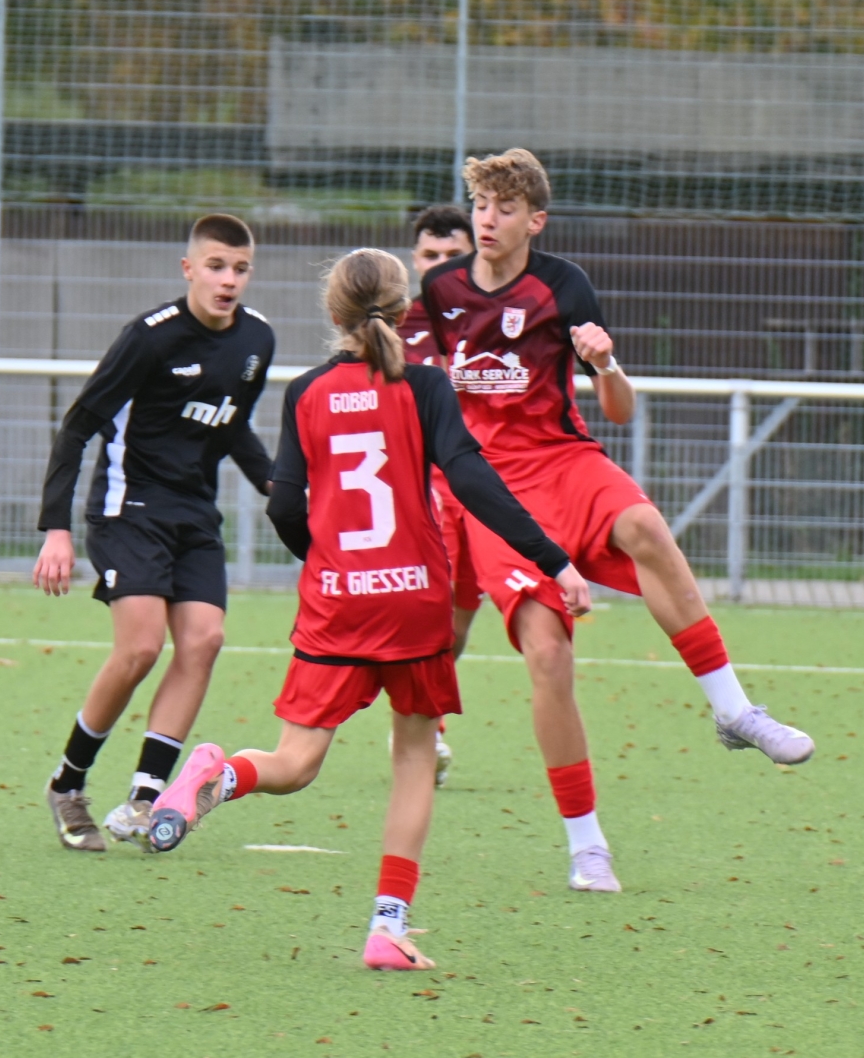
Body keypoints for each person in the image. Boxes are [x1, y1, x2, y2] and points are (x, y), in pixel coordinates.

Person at [143, 248, 590, 972]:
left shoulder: (308, 392)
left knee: (294, 762)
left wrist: (325, 562)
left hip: (338, 602)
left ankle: (220, 776)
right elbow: (473, 481)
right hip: (415, 602)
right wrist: (552, 558)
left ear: (333, 312)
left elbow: (284, 505)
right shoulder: (426, 386)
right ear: (406, 311)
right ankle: (387, 926)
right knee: (413, 757)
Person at [422, 149, 814, 896]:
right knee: (547, 657)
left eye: (506, 208)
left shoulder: (563, 285)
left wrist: (605, 365)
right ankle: (588, 847)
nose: (488, 219)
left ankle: (735, 710)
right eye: (481, 205)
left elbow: (619, 411)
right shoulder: (439, 293)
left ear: (536, 221)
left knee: (646, 528)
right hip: (491, 490)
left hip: (564, 460)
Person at [33, 214, 275, 852]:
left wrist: (280, 489)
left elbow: (233, 427)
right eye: (216, 266)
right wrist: (56, 529)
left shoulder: (257, 339)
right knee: (140, 648)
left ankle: (146, 797)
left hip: (194, 515)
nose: (228, 280)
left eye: (240, 269)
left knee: (204, 640)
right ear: (189, 268)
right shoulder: (149, 338)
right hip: (129, 509)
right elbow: (78, 425)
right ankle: (68, 784)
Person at [397, 203, 479, 785]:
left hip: (487, 490)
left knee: (459, 625)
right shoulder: (396, 327)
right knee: (432, 612)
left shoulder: (502, 321)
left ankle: (423, 716)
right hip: (425, 490)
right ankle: (425, 729)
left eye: (454, 254)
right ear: (414, 260)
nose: (441, 264)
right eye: (431, 254)